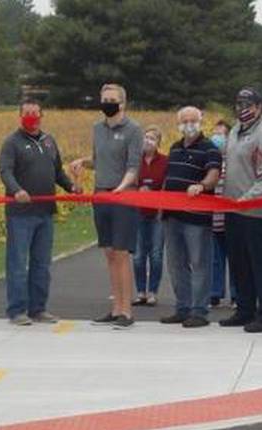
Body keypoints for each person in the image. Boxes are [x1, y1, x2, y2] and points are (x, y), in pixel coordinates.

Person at [0, 99, 82, 326]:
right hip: (20, 213)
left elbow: (58, 172)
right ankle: (17, 311)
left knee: (42, 263)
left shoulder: (49, 141)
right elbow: (5, 171)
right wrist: (16, 190)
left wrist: (71, 187)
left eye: (35, 113)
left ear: (41, 115)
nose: (32, 117)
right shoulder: (12, 143)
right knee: (17, 263)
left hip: (45, 212)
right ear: (20, 116)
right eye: (27, 113)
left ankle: (39, 308)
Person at [69, 84, 144, 329]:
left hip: (123, 195)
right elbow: (99, 159)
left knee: (122, 253)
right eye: (105, 99)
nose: (108, 103)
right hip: (101, 194)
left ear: (122, 103)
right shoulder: (97, 129)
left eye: (112, 99)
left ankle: (127, 310)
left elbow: (133, 166)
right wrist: (82, 162)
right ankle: (115, 307)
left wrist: (121, 188)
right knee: (110, 253)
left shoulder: (133, 130)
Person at [222, 88, 262, 333]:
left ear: (259, 107)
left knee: (258, 262)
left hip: (255, 211)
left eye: (248, 104)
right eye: (239, 104)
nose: (243, 109)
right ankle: (244, 309)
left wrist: (246, 200)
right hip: (232, 208)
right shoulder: (235, 130)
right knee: (238, 262)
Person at [160, 106, 222, 328]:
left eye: (192, 120)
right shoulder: (175, 148)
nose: (188, 124)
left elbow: (213, 174)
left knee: (199, 263)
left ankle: (199, 311)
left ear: (200, 121)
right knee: (176, 264)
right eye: (184, 120)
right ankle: (183, 307)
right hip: (172, 216)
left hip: (196, 217)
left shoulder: (210, 149)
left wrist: (202, 186)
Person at [133, 125, 168, 307]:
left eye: (152, 138)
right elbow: (128, 182)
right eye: (146, 137)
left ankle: (153, 291)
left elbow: (167, 186)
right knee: (138, 255)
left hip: (157, 214)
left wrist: (154, 194)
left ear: (158, 143)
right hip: (138, 212)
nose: (148, 141)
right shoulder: (135, 161)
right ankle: (140, 291)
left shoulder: (165, 161)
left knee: (155, 254)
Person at [207, 119, 236, 309]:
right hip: (212, 217)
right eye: (215, 134)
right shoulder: (209, 161)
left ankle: (236, 295)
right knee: (214, 259)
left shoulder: (234, 162)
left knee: (234, 258)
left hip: (230, 217)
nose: (217, 138)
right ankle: (214, 293)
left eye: (221, 134)